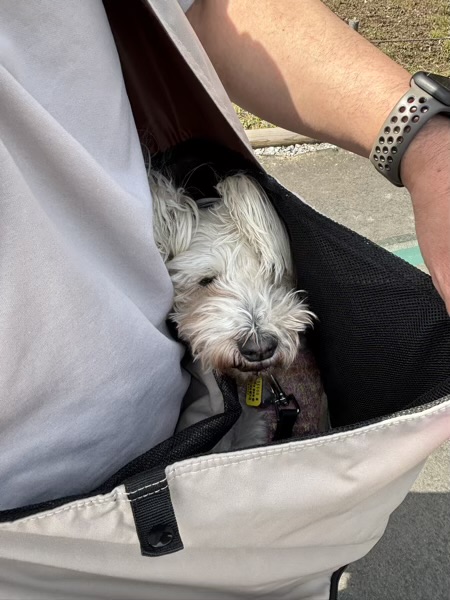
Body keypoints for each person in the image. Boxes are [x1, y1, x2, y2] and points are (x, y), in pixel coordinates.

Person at [0, 0, 448, 511]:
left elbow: (214, 8)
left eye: (275, 279)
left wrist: (423, 138)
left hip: (158, 447)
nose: (256, 332)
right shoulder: (164, 226)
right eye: (207, 282)